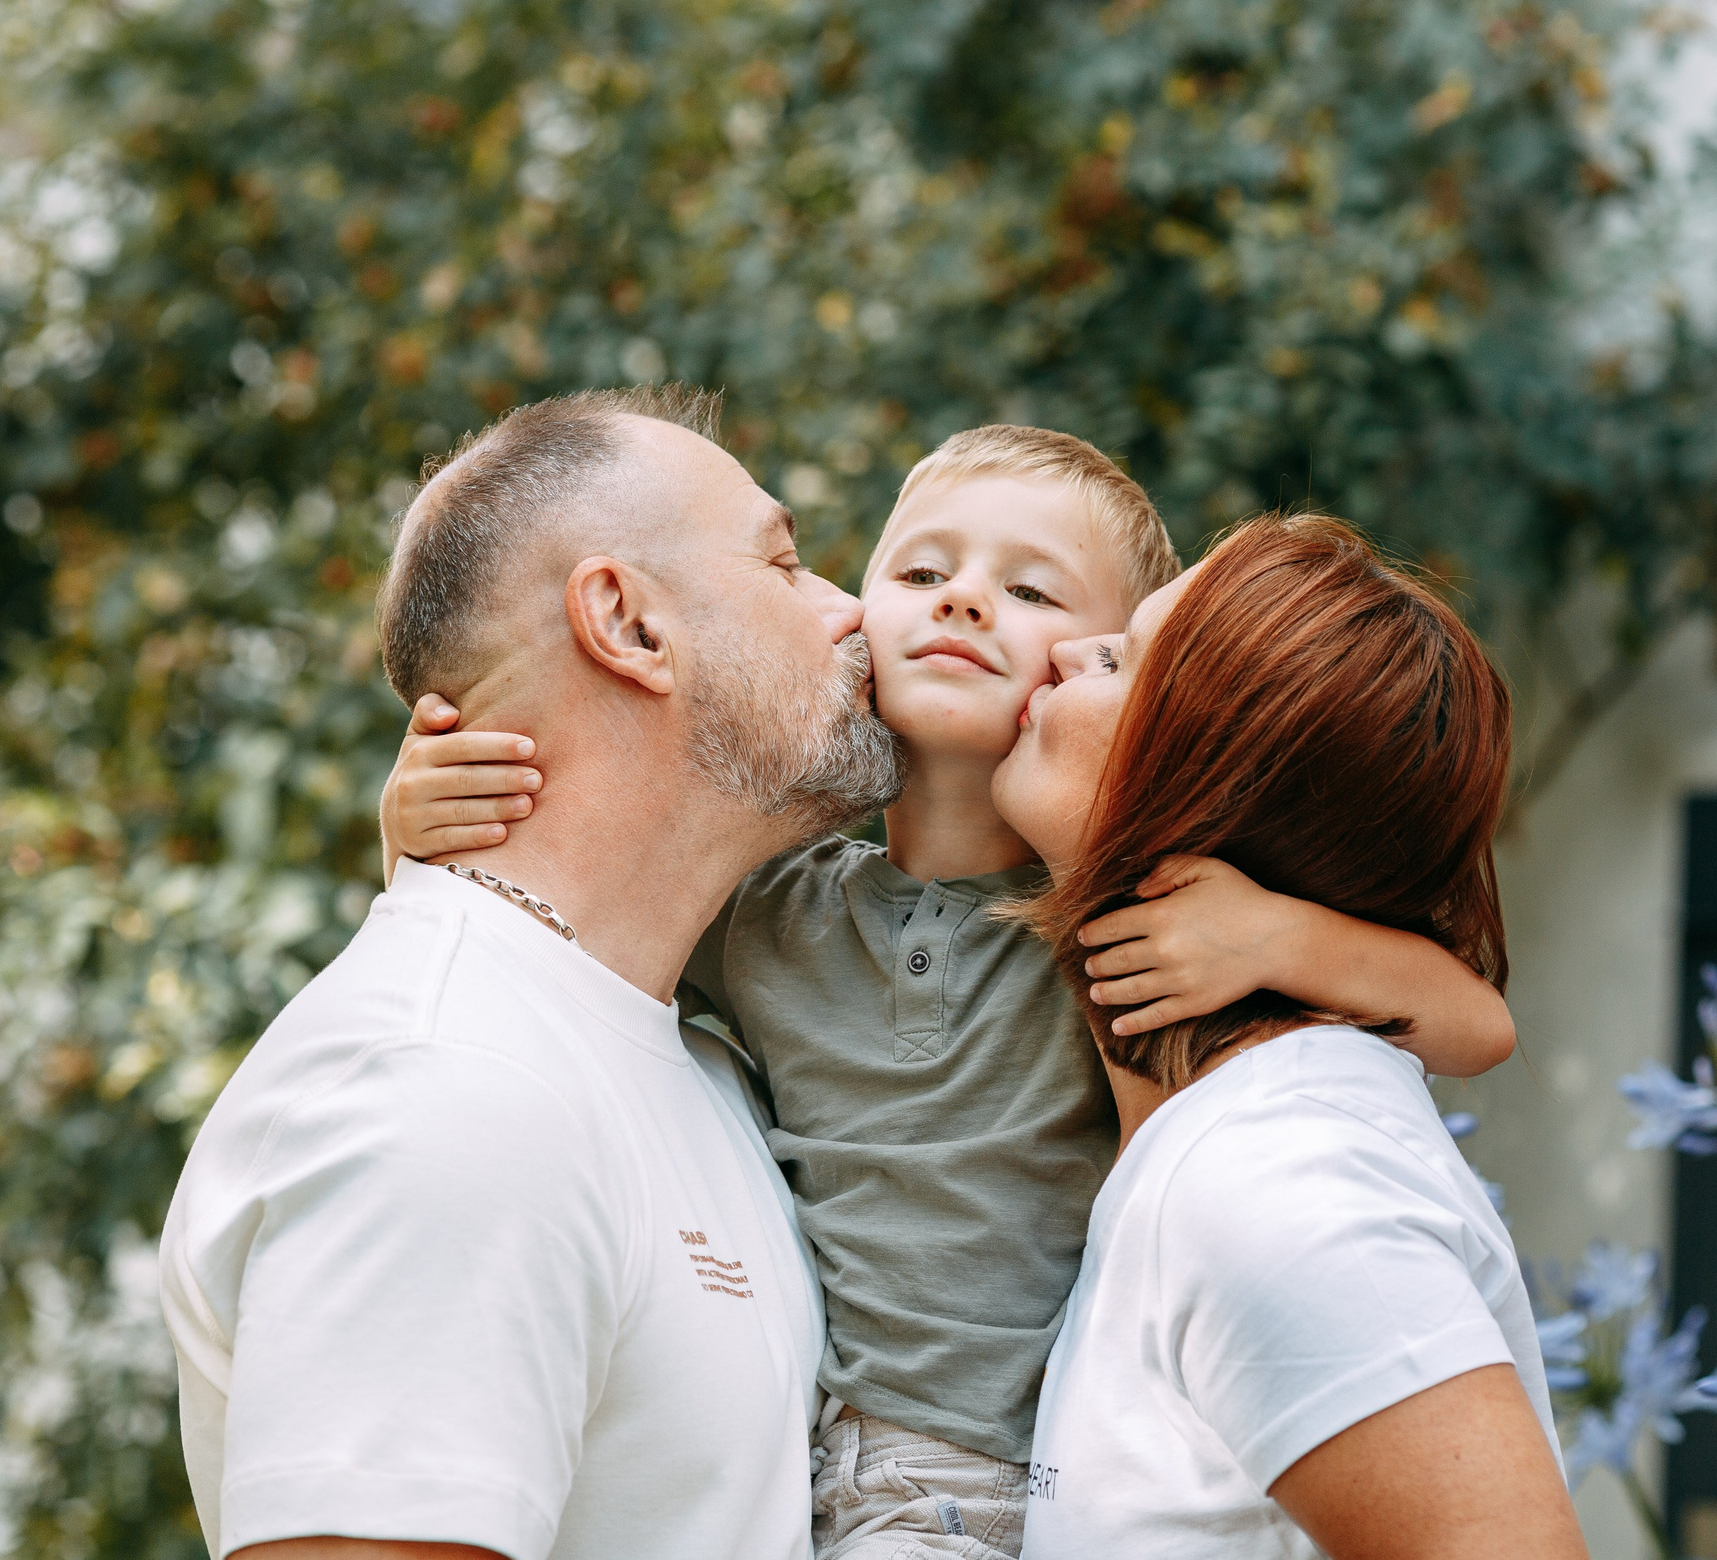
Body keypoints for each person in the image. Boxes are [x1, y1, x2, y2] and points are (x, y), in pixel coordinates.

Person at [381, 425, 1520, 1559]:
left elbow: (1476, 1023)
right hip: (797, 1462)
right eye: (922, 574)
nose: (964, 603)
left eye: (1034, 594)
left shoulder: (1108, 923)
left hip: (981, 1481)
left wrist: (1277, 934)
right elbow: (551, 946)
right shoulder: (772, 903)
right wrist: (422, 832)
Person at [157, 386, 905, 1560]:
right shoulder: (444, 1090)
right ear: (629, 624)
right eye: (786, 561)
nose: (852, 609)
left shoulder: (686, 1051)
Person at [996, 512, 1584, 1560]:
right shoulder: (1200, 1153)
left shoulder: (1274, 1177)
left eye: (1120, 658)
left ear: (1205, 780)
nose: (1059, 648)